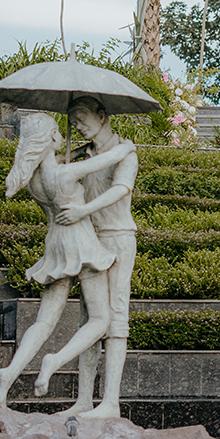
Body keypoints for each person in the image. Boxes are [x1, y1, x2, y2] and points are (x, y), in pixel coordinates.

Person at [0, 113, 136, 408]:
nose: (73, 128)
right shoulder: (66, 173)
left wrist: (69, 151)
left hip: (55, 246)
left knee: (44, 321)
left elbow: (74, 164)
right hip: (82, 246)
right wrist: (126, 147)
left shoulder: (33, 179)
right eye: (60, 129)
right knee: (101, 319)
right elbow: (113, 157)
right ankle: (54, 361)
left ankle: (8, 374)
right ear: (52, 138)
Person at [56, 96, 139, 419]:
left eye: (81, 118)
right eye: (72, 121)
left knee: (116, 319)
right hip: (90, 242)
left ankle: (111, 403)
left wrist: (82, 211)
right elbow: (50, 164)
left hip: (118, 239)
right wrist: (61, 150)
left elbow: (120, 189)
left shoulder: (126, 152)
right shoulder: (83, 154)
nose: (77, 125)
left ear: (102, 116)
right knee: (89, 320)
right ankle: (83, 400)